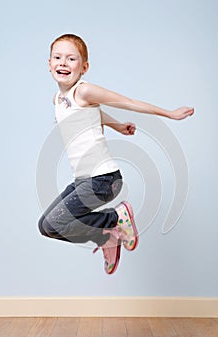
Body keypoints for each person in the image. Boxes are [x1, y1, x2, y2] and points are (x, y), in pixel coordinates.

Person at [38, 33, 194, 275]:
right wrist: (116, 126)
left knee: (54, 222)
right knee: (47, 226)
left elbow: (127, 101)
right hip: (83, 181)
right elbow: (88, 115)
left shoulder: (84, 90)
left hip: (103, 180)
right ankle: (107, 237)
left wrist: (169, 114)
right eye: (57, 57)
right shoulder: (58, 98)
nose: (63, 63)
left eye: (71, 59)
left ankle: (115, 218)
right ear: (48, 64)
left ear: (84, 67)